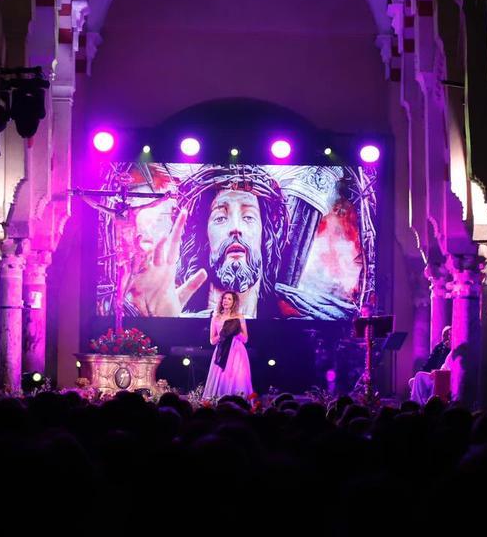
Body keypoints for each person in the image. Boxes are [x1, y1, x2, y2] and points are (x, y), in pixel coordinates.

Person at [127, 164, 357, 320]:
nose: (235, 227)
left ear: (265, 236)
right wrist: (165, 322)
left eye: (248, 216)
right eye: (220, 217)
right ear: (204, 238)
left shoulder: (301, 314)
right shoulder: (174, 309)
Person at [203, 291, 252, 399]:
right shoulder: (216, 318)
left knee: (237, 377)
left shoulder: (239, 317)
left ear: (234, 302)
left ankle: (239, 401)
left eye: (229, 299)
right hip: (222, 350)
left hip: (237, 350)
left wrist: (234, 331)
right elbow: (212, 340)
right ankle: (220, 402)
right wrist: (223, 334)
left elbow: (245, 339)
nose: (226, 300)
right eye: (224, 298)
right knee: (222, 377)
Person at [408, 326, 451, 404]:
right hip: (437, 373)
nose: (446, 337)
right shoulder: (439, 347)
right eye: (444, 335)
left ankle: (417, 402)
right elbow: (430, 362)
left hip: (442, 376)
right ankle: (421, 401)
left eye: (448, 335)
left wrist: (438, 372)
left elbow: (447, 368)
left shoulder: (452, 350)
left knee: (419, 376)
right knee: (413, 380)